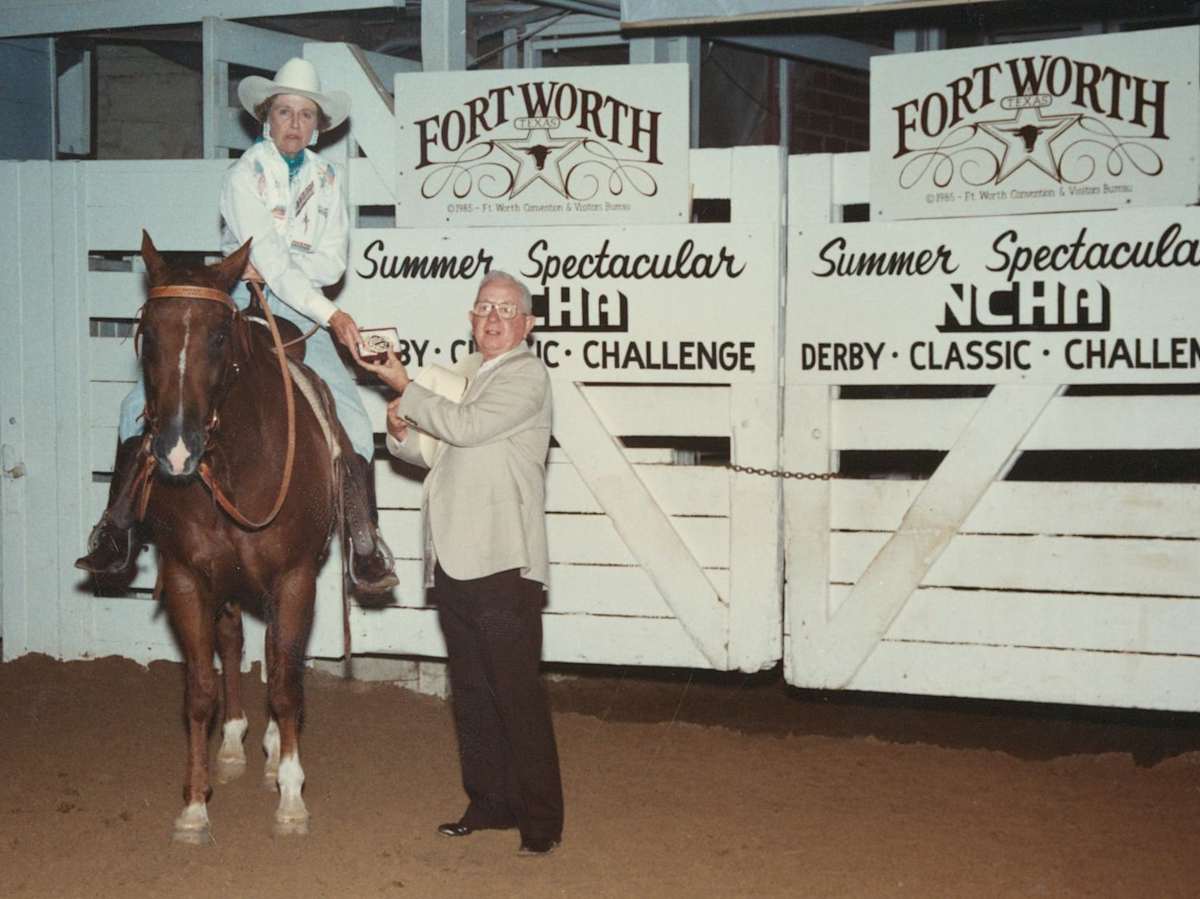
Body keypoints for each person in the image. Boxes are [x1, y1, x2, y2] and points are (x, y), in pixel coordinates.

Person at [76, 57, 397, 593]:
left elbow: (333, 263)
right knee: (137, 404)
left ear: (318, 125)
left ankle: (365, 541)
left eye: (305, 115)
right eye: (284, 112)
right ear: (265, 119)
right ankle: (116, 529)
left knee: (352, 417)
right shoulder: (242, 176)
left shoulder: (328, 179)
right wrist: (323, 304)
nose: (294, 125)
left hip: (300, 310)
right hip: (239, 300)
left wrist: (288, 272)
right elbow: (267, 257)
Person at [358, 270, 563, 855]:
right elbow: (428, 451)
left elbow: (468, 428)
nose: (494, 318)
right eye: (483, 308)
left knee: (516, 693)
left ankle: (541, 823)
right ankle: (490, 803)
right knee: (472, 691)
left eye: (506, 310)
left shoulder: (527, 375)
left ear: (526, 324)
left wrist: (404, 384)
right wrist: (399, 426)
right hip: (453, 559)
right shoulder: (466, 374)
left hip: (503, 561)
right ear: (471, 320)